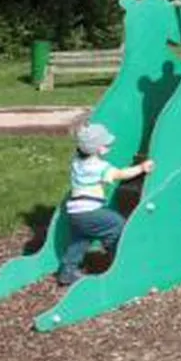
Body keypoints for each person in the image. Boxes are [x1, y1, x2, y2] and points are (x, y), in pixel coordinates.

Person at [56, 122, 154, 286]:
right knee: (116, 225)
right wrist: (142, 167)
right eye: (107, 145)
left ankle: (67, 271)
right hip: (90, 212)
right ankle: (118, 261)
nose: (109, 147)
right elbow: (120, 174)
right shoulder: (98, 166)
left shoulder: (77, 162)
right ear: (99, 149)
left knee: (81, 239)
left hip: (75, 213)